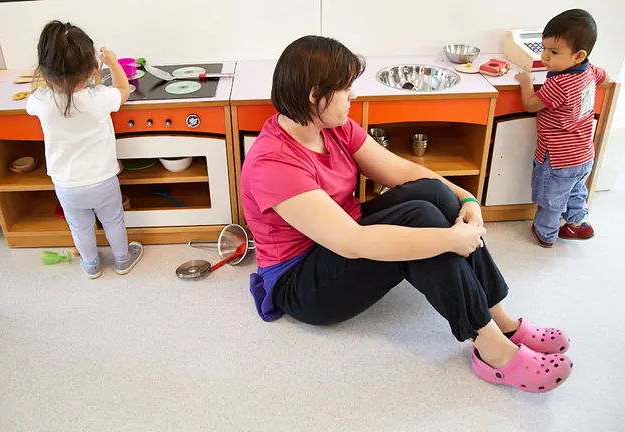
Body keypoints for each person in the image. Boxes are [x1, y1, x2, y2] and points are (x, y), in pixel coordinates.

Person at [241, 35, 573, 393]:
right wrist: (450, 238)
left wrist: (467, 201)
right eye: (346, 88)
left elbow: (403, 173)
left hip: (343, 235)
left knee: (431, 194)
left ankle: (501, 319)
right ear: (313, 94)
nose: (353, 95)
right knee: (421, 220)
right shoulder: (273, 162)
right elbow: (353, 242)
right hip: (303, 281)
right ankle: (494, 351)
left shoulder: (333, 127)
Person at [26, 21, 143, 279]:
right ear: (91, 69)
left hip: (66, 184)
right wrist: (112, 62)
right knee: (113, 220)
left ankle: (91, 265)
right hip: (102, 179)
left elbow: (45, 99)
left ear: (44, 72)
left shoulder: (41, 100)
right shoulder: (98, 98)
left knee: (79, 226)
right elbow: (123, 91)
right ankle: (122, 259)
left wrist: (88, 79)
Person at [516, 9, 608, 248]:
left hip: (557, 158)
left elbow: (530, 105)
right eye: (544, 48)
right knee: (576, 191)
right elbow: (604, 77)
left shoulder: (559, 83)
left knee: (551, 199)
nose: (545, 57)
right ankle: (579, 225)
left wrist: (526, 82)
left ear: (578, 55)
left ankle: (545, 234)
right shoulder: (588, 71)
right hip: (583, 155)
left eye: (553, 52)